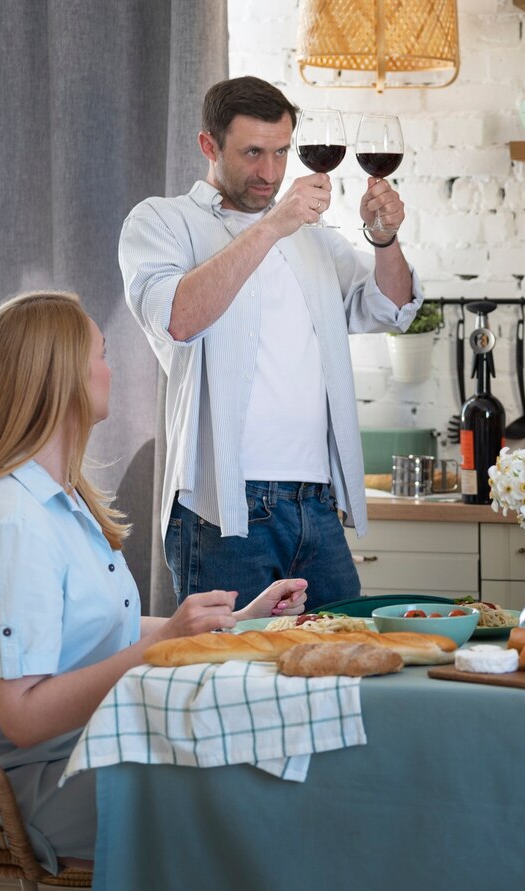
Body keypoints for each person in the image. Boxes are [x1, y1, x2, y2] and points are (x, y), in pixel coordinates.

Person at [0, 292, 308, 873]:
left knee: (256, 767)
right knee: (243, 796)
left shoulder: (61, 505)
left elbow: (103, 629)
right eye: (100, 354)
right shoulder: (10, 522)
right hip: (12, 788)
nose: (111, 367)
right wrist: (162, 643)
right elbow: (22, 718)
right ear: (61, 377)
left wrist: (237, 621)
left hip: (71, 755)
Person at [118, 75, 422, 611]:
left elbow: (389, 308)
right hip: (224, 508)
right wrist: (273, 225)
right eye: (253, 153)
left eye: (282, 152)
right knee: (231, 677)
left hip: (317, 505)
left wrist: (385, 240)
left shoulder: (313, 238)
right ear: (208, 146)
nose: (271, 172)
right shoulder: (162, 221)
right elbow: (178, 319)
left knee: (339, 669)